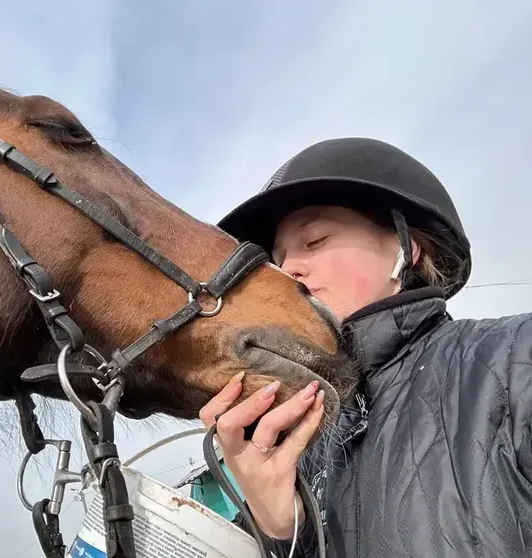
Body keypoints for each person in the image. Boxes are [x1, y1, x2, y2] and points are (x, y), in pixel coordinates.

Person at [204, 137, 532, 557]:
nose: (286, 270)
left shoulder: (512, 360)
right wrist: (282, 530)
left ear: (403, 248)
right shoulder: (295, 445)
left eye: (316, 240)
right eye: (278, 258)